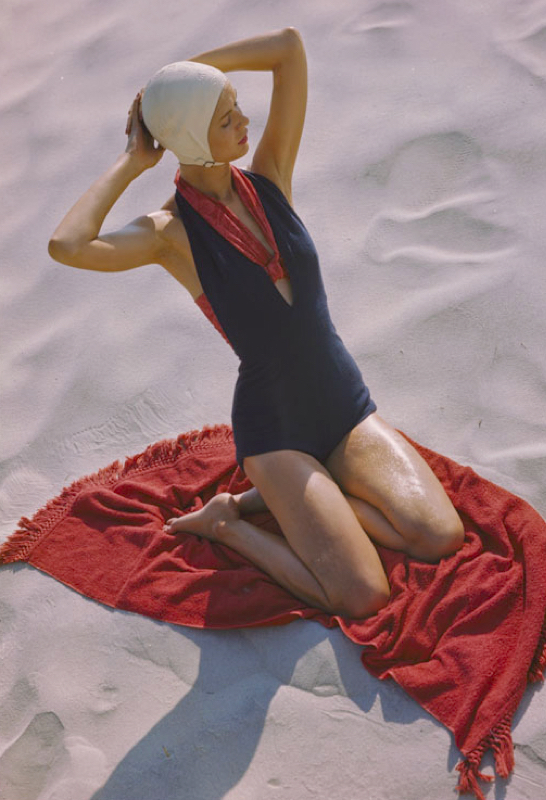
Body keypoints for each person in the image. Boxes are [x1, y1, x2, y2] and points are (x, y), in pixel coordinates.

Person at [48, 28, 464, 619]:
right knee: (363, 597)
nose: (244, 122)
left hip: (344, 404)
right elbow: (67, 245)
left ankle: (271, 503)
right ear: (189, 139)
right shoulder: (171, 237)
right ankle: (229, 524)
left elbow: (289, 48)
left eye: (237, 106)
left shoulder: (269, 177)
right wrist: (136, 157)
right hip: (279, 432)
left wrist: (183, 72)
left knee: (439, 537)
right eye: (224, 119)